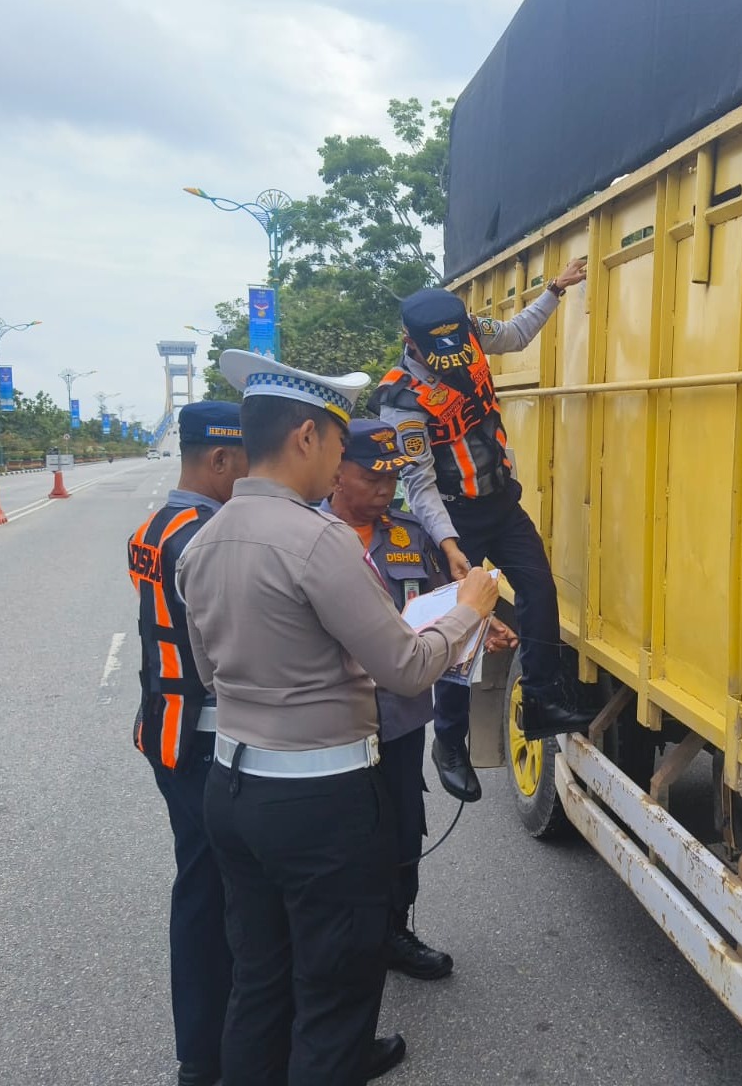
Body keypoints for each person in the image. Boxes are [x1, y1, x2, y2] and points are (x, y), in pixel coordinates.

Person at [177, 351, 500, 1086]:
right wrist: (469, 610)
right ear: (305, 438)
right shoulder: (318, 542)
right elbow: (410, 668)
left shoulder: (205, 541)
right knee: (332, 999)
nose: (343, 464)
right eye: (336, 440)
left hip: (232, 790)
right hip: (317, 806)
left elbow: (208, 674)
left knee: (259, 982)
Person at [372, 257, 596, 793]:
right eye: (437, 352)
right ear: (410, 339)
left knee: (540, 592)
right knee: (461, 634)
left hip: (501, 504)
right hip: (453, 517)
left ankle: (542, 699)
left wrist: (554, 291)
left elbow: (516, 335)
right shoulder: (401, 401)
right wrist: (448, 544)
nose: (450, 359)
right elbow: (420, 485)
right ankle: (449, 741)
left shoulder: (468, 333)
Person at [322, 419, 518, 980]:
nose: (384, 490)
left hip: (402, 718)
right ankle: (343, 942)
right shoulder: (309, 538)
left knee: (403, 828)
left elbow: (444, 605)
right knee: (341, 839)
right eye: (370, 477)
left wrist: (483, 627)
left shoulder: (410, 536)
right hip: (336, 722)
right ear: (337, 473)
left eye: (391, 478)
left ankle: (394, 932)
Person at [127, 402, 248, 1086]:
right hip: (202, 741)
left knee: (203, 886)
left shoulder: (155, 527)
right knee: (221, 896)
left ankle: (210, 1048)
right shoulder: (204, 539)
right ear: (221, 459)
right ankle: (211, 1055)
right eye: (245, 467)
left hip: (165, 731)